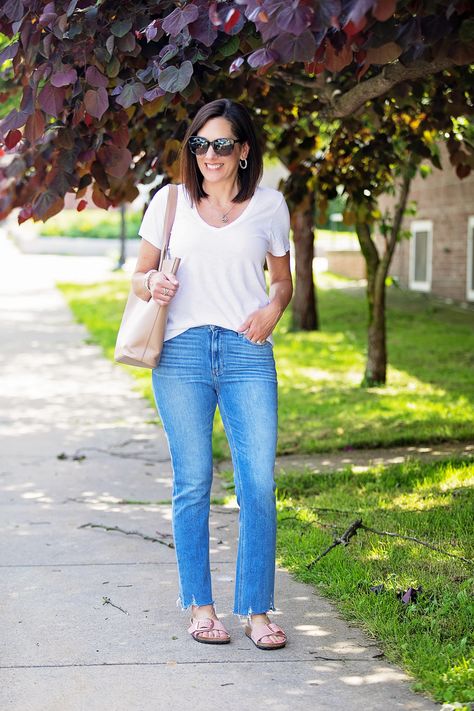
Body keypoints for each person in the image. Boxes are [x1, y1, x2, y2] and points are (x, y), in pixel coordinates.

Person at [131, 98, 293, 650]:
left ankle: (257, 609)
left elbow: (282, 282)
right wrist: (153, 285)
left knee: (258, 484)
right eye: (201, 144)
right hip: (182, 353)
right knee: (193, 481)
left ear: (244, 150)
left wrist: (274, 309)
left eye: (223, 144)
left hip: (248, 352)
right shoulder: (169, 202)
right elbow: (139, 277)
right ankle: (200, 606)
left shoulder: (270, 207)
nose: (210, 155)